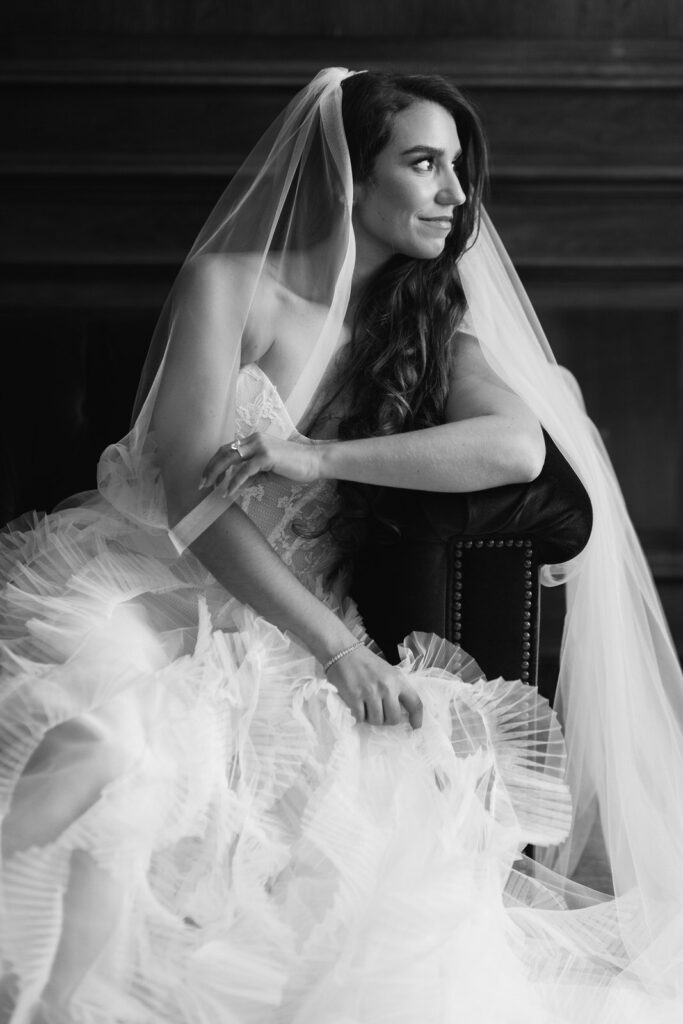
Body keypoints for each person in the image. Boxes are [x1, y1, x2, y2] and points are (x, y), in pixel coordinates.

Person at [0, 67, 682, 1023]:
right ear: (346, 177)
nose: (455, 194)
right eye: (423, 163)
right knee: (107, 738)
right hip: (152, 578)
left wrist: (315, 455)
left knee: (349, 834)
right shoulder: (229, 285)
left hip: (291, 621)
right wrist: (337, 647)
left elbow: (515, 445)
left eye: (457, 169)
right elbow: (194, 502)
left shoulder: (434, 329)